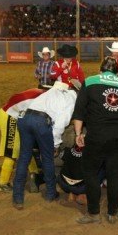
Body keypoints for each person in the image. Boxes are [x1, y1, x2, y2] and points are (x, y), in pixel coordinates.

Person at [73, 57, 118, 225]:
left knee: (90, 173)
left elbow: (79, 111)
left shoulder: (90, 82)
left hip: (97, 136)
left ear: (100, 70)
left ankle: (94, 213)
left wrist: (78, 133)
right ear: (117, 72)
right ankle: (113, 212)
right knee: (114, 174)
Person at [12, 81, 78, 209]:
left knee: (24, 158)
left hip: (24, 118)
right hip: (41, 122)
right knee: (48, 159)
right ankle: (50, 193)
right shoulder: (71, 99)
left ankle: (17, 198)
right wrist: (56, 144)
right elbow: (60, 124)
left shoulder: (53, 91)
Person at [0, 88, 44, 192]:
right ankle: (3, 184)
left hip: (15, 115)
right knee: (12, 152)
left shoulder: (42, 94)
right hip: (10, 117)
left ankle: (34, 173)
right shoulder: (44, 99)